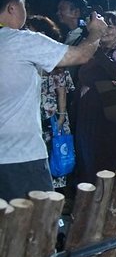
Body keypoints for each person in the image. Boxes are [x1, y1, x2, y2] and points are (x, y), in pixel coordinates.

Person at [0, 0, 106, 198]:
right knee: (35, 224)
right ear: (12, 7)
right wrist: (96, 32)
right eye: (23, 4)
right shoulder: (22, 41)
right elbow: (81, 55)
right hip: (19, 156)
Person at [74, 11, 116, 182]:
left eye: (110, 26)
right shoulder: (89, 49)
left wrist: (96, 53)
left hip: (113, 110)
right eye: (102, 26)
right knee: (90, 154)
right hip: (90, 109)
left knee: (112, 153)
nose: (105, 30)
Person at [24, 15, 74, 190]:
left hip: (52, 115)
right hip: (34, 113)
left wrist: (61, 116)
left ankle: (54, 195)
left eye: (30, 30)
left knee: (55, 151)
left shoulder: (55, 60)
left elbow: (62, 92)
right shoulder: (28, 59)